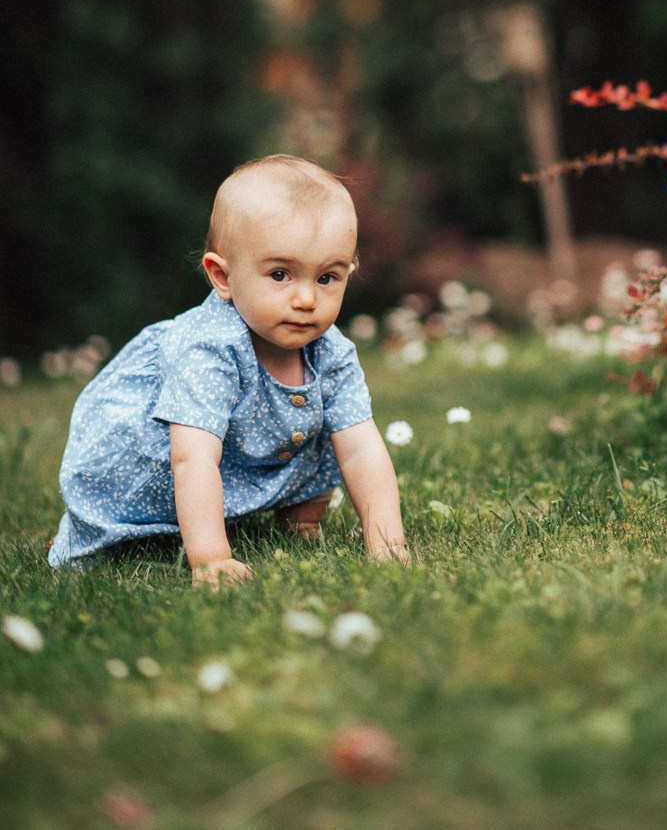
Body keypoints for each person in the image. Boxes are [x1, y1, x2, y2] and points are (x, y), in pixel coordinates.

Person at [48, 155, 408, 585]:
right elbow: (191, 458)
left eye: (327, 278)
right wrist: (211, 559)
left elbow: (361, 448)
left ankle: (302, 519)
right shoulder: (209, 348)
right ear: (222, 275)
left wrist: (388, 543)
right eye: (280, 274)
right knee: (125, 516)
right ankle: (120, 529)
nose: (307, 299)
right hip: (156, 462)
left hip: (252, 446)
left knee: (329, 421)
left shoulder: (331, 351)